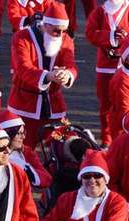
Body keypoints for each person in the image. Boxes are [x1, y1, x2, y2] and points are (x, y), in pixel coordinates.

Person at [7, 1, 78, 148]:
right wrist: (48, 76)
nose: (60, 34)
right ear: (46, 25)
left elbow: (71, 66)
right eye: (57, 30)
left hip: (54, 105)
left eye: (64, 30)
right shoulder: (21, 37)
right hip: (24, 105)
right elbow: (23, 68)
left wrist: (67, 74)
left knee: (65, 143)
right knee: (23, 149)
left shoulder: (66, 39)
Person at [85, 0, 129, 146]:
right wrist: (109, 36)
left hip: (127, 66)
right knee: (105, 104)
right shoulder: (100, 11)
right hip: (105, 66)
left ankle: (127, 137)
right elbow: (90, 33)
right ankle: (106, 139)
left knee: (126, 104)